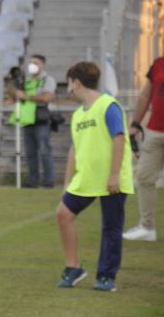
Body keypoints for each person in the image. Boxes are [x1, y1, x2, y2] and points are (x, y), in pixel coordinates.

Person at [55, 62, 133, 292]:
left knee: (111, 227)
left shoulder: (108, 105)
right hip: (87, 179)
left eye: (69, 83)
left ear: (75, 82)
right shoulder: (79, 114)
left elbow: (118, 138)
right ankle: (73, 267)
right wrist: (67, 183)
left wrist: (114, 175)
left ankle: (106, 277)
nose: (69, 89)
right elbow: (74, 149)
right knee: (63, 214)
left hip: (112, 179)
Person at [123, 55, 164, 242]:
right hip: (154, 131)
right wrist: (136, 123)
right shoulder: (158, 63)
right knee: (143, 178)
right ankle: (147, 227)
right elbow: (146, 94)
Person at [10, 54, 57, 188]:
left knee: (44, 151)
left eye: (35, 63)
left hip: (41, 120)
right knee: (30, 153)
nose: (32, 65)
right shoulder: (26, 80)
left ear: (42, 65)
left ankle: (48, 181)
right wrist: (15, 86)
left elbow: (46, 97)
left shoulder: (48, 80)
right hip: (26, 119)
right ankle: (32, 181)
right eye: (31, 63)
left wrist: (25, 95)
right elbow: (16, 98)